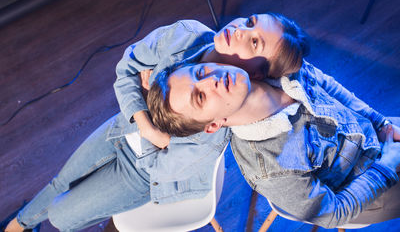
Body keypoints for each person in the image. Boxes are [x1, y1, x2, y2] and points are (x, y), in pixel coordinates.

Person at [4, 12, 308, 231]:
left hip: (145, 175)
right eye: (250, 21)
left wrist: (147, 98)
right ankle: (21, 224)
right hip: (125, 127)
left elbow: (161, 167)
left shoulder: (224, 120)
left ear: (255, 75)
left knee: (61, 217)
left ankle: (80, 215)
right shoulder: (186, 34)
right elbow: (126, 69)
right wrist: (146, 121)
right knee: (61, 181)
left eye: (255, 44)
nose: (240, 30)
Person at [147, 61, 400, 228]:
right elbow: (332, 212)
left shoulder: (271, 63)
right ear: (213, 125)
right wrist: (387, 167)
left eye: (200, 73)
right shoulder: (270, 166)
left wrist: (381, 122)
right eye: (200, 96)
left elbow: (325, 83)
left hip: (380, 133)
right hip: (376, 186)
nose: (210, 80)